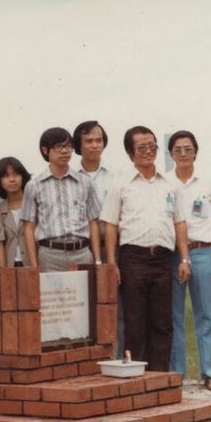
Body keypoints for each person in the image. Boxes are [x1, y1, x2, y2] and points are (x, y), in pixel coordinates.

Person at [100, 126, 191, 372]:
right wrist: (112, 263)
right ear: (131, 153)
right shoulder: (120, 183)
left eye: (152, 146)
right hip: (132, 259)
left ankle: (158, 378)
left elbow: (180, 222)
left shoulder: (170, 184)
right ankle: (134, 379)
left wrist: (184, 259)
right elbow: (110, 224)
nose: (149, 151)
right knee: (134, 322)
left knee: (162, 323)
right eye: (142, 147)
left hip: (163, 260)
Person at [167, 131, 211, 391]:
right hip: (172, 253)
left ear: (195, 152)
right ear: (170, 154)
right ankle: (176, 374)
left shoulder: (210, 181)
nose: (183, 153)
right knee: (174, 315)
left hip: (202, 252)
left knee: (205, 315)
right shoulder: (165, 182)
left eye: (187, 149)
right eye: (177, 149)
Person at [74, 120, 124, 354]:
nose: (94, 145)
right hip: (82, 250)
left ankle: (118, 356)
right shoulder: (71, 178)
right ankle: (87, 359)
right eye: (88, 141)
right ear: (79, 145)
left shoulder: (115, 177)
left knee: (117, 307)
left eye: (98, 140)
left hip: (112, 248)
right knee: (84, 307)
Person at [21, 127, 101, 272]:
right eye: (59, 147)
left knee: (85, 295)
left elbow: (93, 222)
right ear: (45, 150)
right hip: (49, 256)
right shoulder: (34, 185)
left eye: (68, 146)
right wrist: (34, 266)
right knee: (52, 295)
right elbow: (29, 228)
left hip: (82, 253)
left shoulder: (86, 182)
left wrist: (97, 259)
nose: (65, 151)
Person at [0, 157, 31, 267]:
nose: (12, 179)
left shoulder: (34, 204)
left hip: (34, 264)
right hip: (10, 266)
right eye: (6, 176)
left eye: (16, 174)